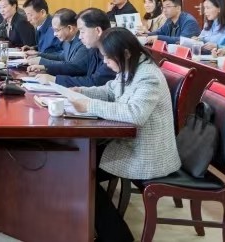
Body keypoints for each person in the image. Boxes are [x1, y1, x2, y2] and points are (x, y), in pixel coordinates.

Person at [62, 28, 180, 242]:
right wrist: (82, 92)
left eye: (108, 57)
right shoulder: (131, 65)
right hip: (128, 142)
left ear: (125, 53)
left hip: (146, 153)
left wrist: (89, 105)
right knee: (74, 164)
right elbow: (110, 90)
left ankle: (117, 237)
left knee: (79, 171)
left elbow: (135, 114)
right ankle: (88, 227)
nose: (105, 62)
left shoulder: (148, 76)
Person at [35, 8, 116, 87]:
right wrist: (47, 69)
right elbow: (85, 77)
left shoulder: (113, 53)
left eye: (82, 31)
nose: (80, 36)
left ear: (98, 31)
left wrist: (55, 79)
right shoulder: (94, 49)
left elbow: (94, 82)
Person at [26, 8, 90, 77]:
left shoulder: (84, 42)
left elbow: (73, 67)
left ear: (70, 28)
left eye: (57, 30)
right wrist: (39, 55)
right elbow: (61, 57)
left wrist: (43, 64)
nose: (54, 34)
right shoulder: (67, 39)